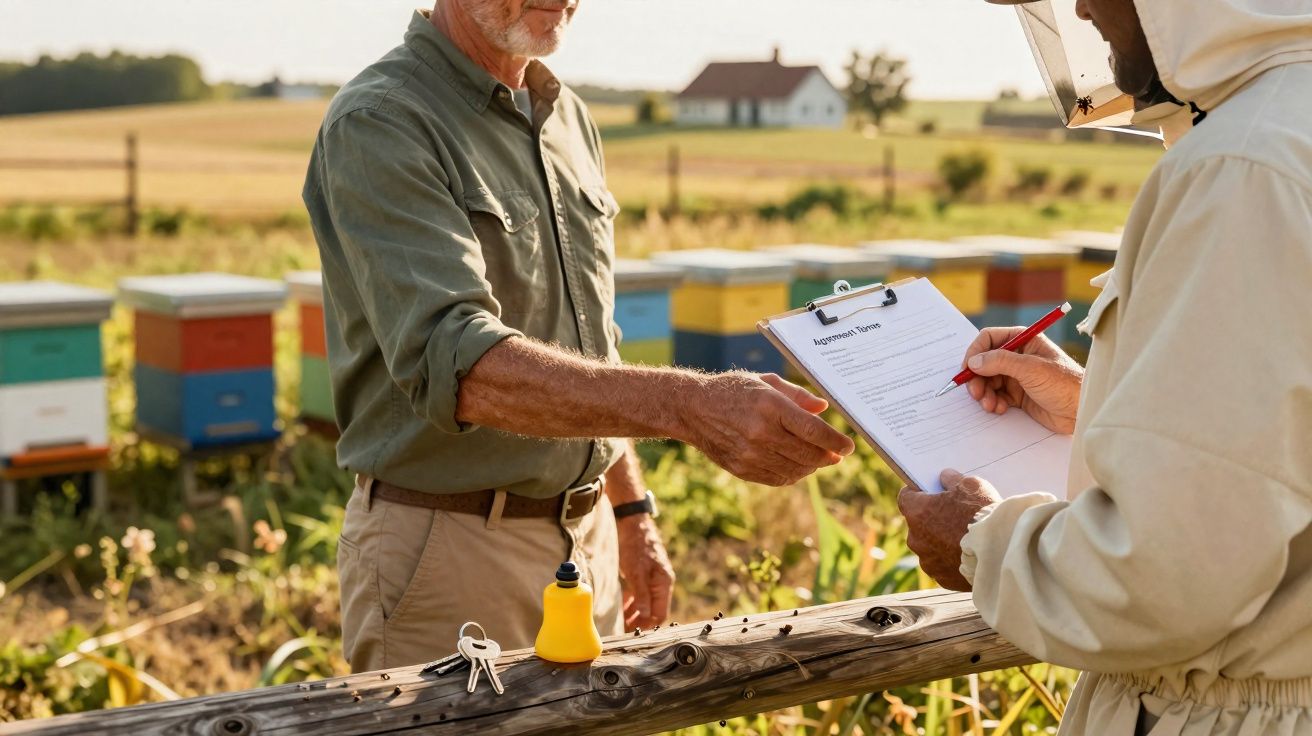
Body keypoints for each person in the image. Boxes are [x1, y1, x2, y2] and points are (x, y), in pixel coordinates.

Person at [302, 0, 855, 673]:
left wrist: (629, 511)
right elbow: (461, 364)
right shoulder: (383, 119)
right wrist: (691, 405)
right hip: (449, 547)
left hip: (586, 542)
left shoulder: (567, 117)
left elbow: (589, 350)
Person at [899, 0, 1312, 734]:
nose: (1081, 8)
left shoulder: (1242, 167)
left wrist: (979, 543)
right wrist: (1099, 404)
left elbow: (1167, 576)